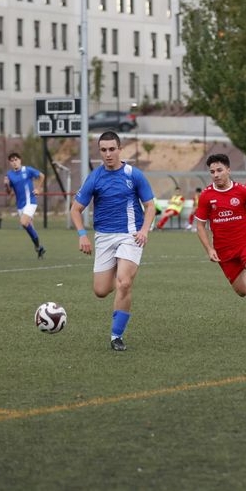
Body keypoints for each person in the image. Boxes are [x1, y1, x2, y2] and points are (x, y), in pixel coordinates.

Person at [70, 131, 156, 351]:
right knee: (100, 291)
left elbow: (150, 205)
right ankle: (119, 268)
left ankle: (116, 336)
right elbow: (76, 209)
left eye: (112, 149)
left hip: (130, 235)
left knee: (124, 282)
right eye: (103, 150)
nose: (108, 154)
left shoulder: (133, 175)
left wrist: (144, 230)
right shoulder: (95, 177)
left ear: (120, 149)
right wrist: (82, 235)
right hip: (104, 237)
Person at [194, 153, 246, 335]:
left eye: (219, 170)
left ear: (229, 170)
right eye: (212, 171)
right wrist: (209, 249)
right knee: (241, 291)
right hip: (224, 250)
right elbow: (199, 225)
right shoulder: (207, 196)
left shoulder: (243, 191)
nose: (215, 174)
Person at [5, 152, 47, 258]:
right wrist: (6, 185)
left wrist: (38, 189)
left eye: (16, 159)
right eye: (12, 160)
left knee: (23, 222)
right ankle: (39, 247)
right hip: (20, 205)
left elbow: (42, 176)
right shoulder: (9, 175)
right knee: (29, 227)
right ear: (10, 163)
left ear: (20, 160)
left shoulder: (27, 170)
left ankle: (38, 247)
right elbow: (9, 192)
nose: (14, 162)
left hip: (30, 202)